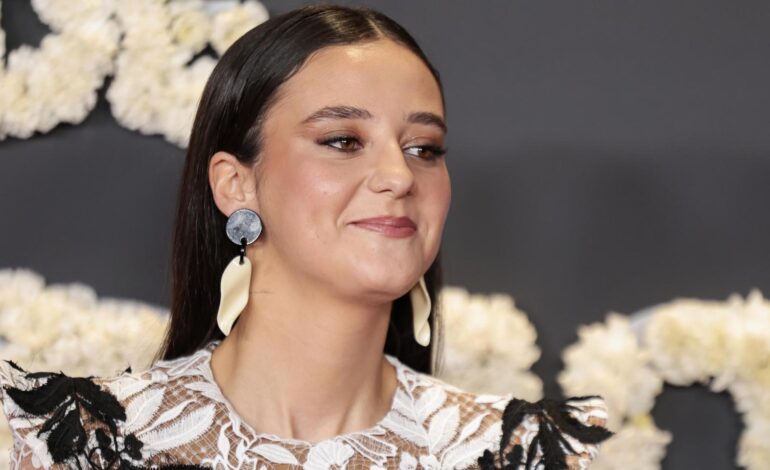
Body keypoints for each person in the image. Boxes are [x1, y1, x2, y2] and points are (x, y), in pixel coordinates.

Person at [0, 4, 612, 469]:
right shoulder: (79, 444)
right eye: (343, 141)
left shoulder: (524, 452)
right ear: (236, 184)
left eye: (424, 148)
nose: (400, 176)